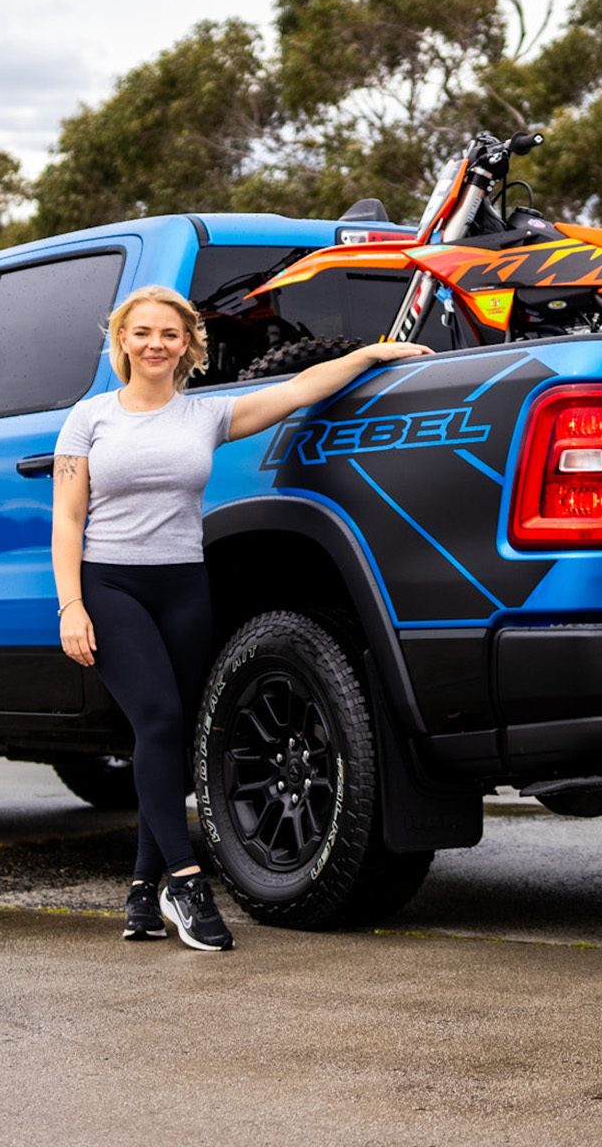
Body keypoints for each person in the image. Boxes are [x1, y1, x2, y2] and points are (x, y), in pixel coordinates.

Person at [52, 285, 432, 951]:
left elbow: (300, 389)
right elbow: (68, 518)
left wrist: (369, 354)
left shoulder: (205, 416)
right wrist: (71, 605)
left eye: (169, 334)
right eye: (141, 333)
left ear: (187, 344)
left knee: (164, 739)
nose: (155, 344)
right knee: (161, 721)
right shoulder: (90, 419)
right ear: (123, 342)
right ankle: (188, 883)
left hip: (184, 586)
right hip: (111, 586)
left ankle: (143, 892)